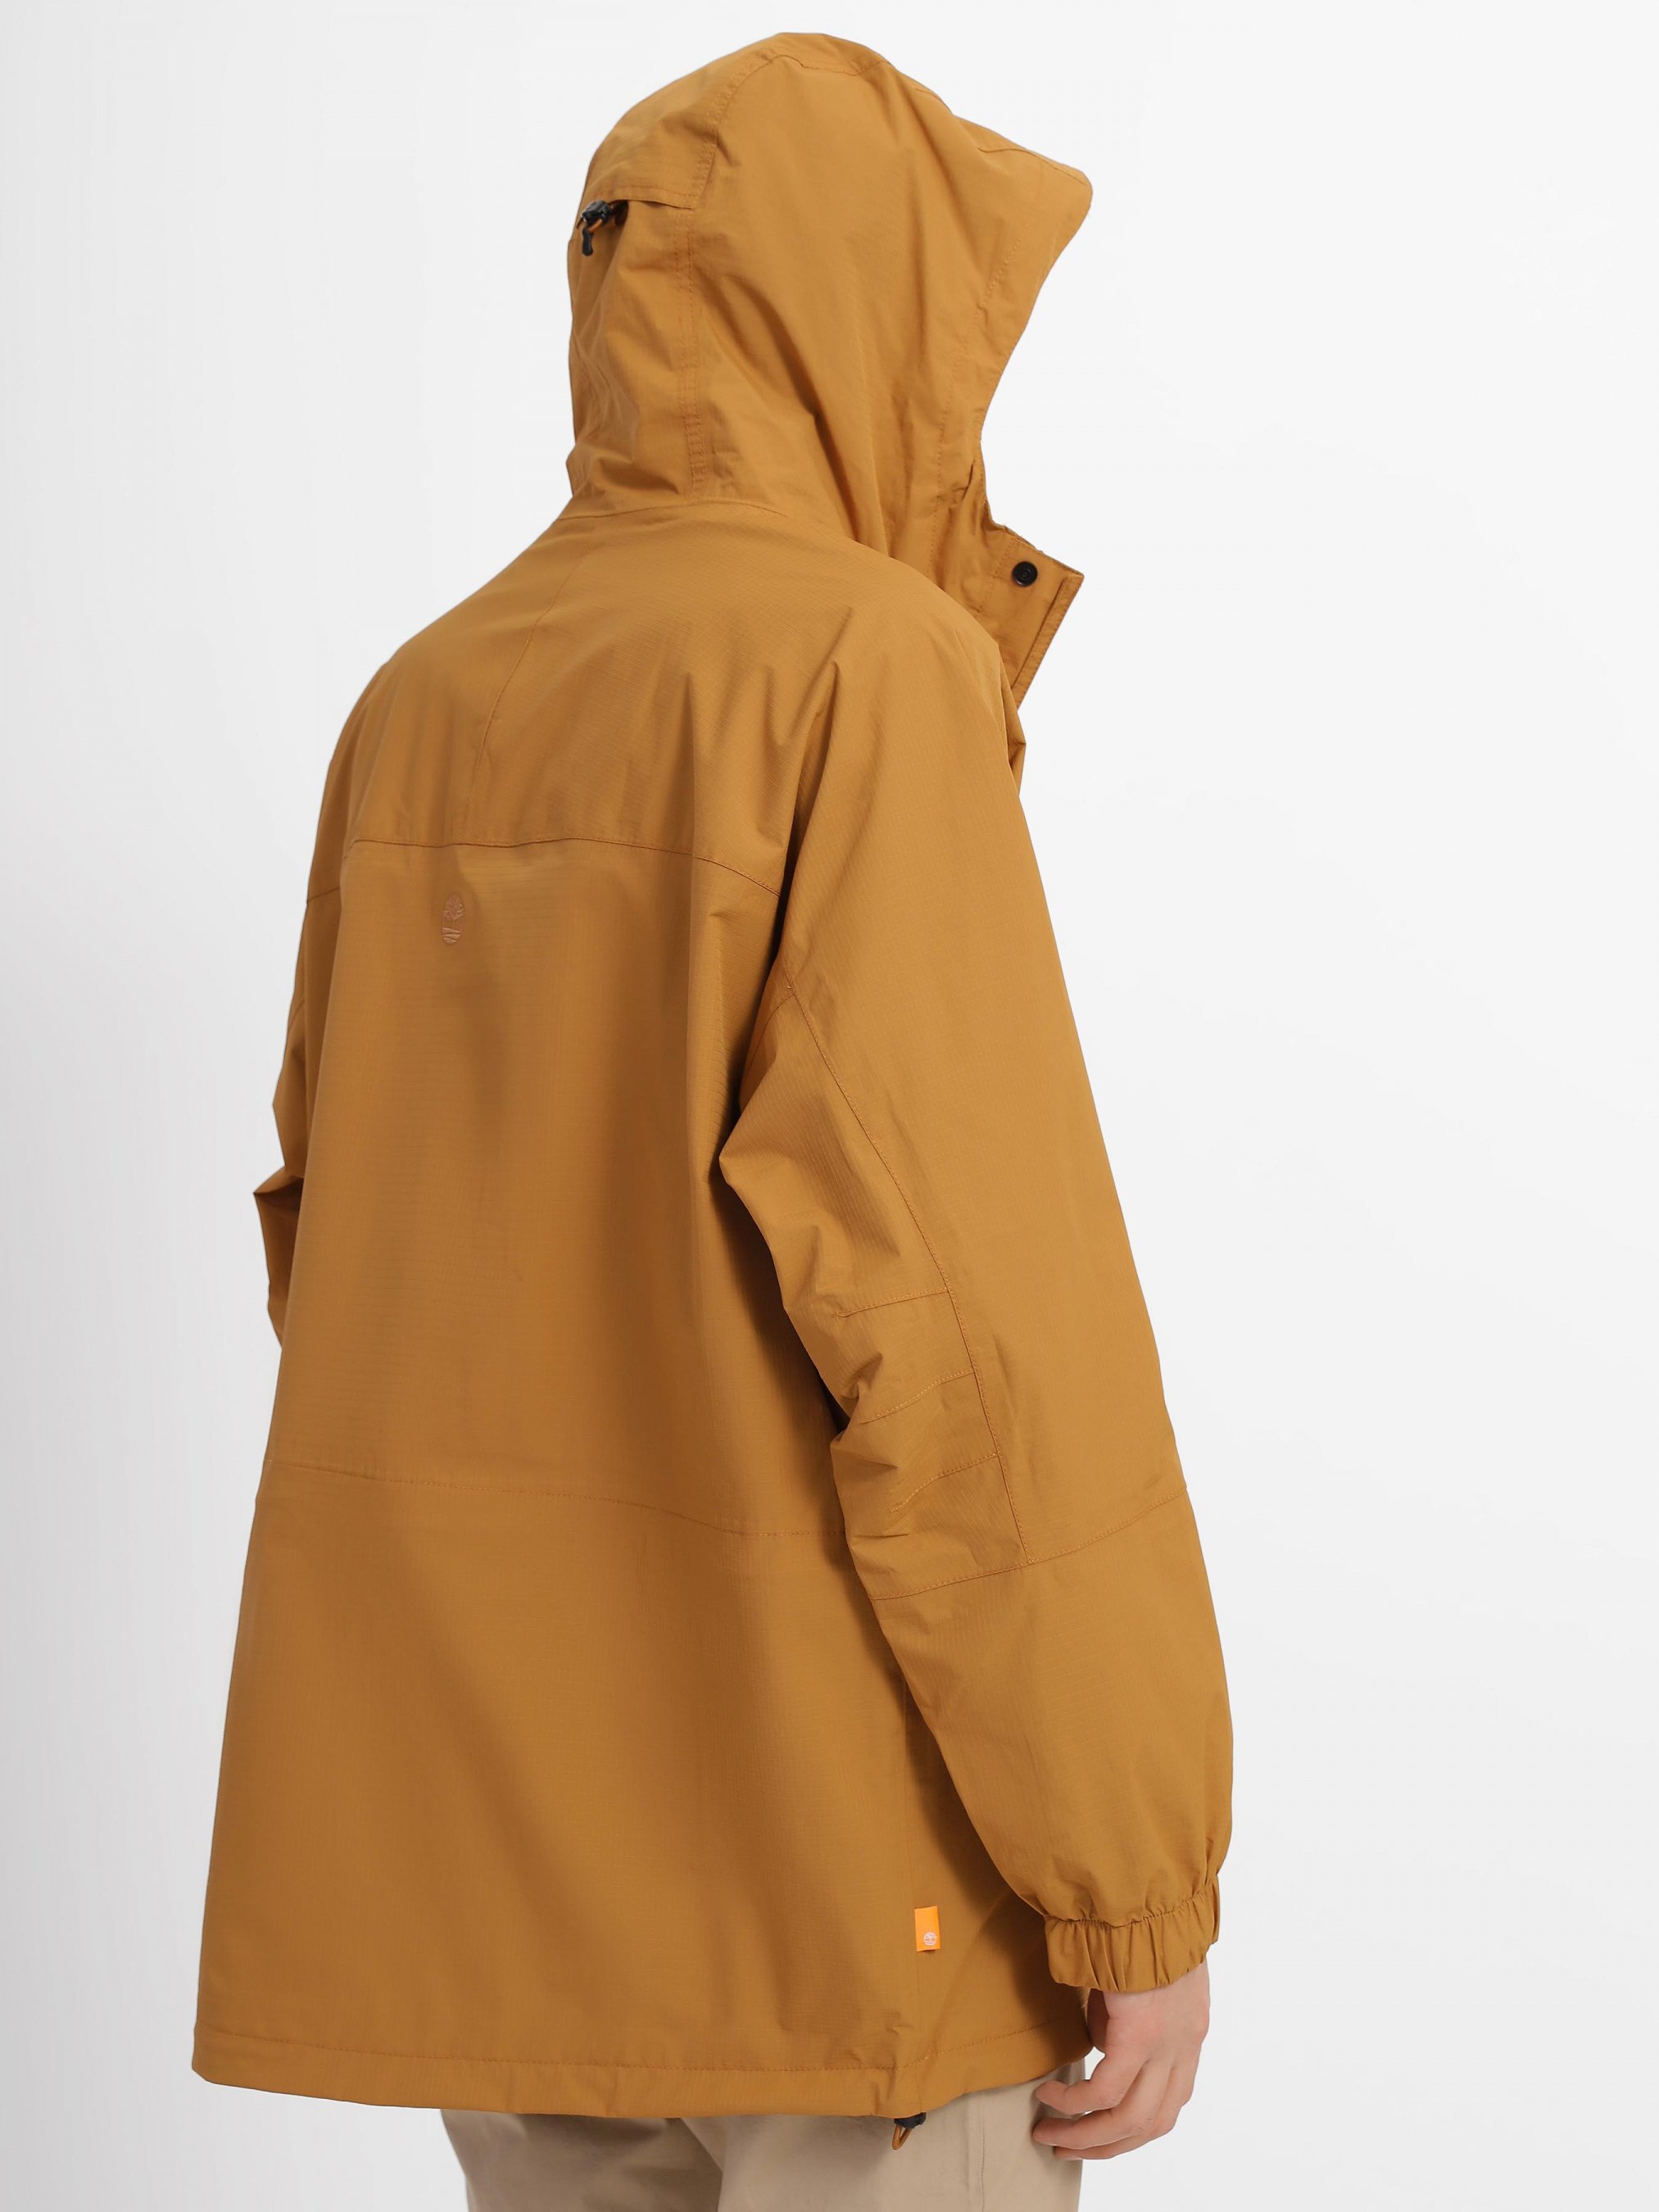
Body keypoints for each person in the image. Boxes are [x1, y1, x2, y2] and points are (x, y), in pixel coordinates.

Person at [194, 32, 1232, 2208]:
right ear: (875, 317)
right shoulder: (862, 671)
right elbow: (970, 1339)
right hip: (850, 1900)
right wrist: (1131, 1880)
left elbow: (336, 1251)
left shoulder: (424, 698)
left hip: (506, 1883)